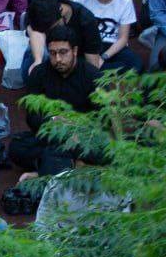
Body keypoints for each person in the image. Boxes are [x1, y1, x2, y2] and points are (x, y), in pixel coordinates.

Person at [8, 25, 101, 176]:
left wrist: (77, 127)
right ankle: (70, 165)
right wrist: (53, 121)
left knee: (102, 149)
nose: (58, 59)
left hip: (81, 137)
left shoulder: (92, 76)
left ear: (75, 51)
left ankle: (47, 170)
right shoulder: (39, 74)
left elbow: (101, 118)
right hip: (51, 134)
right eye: (52, 53)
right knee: (17, 147)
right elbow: (32, 116)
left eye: (63, 52)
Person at [72, 0, 142, 74]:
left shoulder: (125, 0)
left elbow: (123, 39)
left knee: (136, 64)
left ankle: (97, 72)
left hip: (113, 46)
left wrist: (104, 57)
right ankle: (104, 72)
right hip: (88, 45)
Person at [22, 0, 107, 74]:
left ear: (62, 13)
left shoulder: (86, 20)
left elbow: (92, 62)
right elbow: (34, 31)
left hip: (75, 57)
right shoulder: (42, 7)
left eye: (52, 29)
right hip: (47, 52)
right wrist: (38, 60)